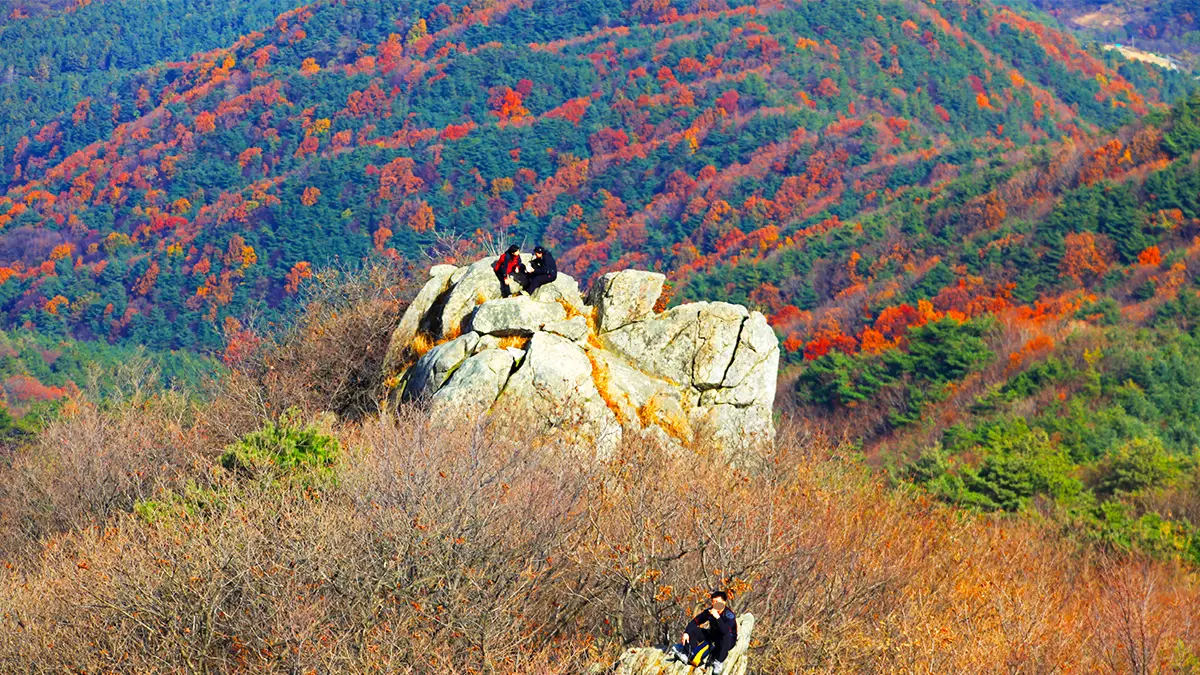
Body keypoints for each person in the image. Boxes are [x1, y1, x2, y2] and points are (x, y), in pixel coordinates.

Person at [668, 591, 737, 674]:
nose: (714, 604)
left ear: (724, 602)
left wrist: (718, 617)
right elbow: (695, 621)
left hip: (727, 640)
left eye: (717, 602)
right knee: (693, 630)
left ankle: (719, 661)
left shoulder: (729, 615)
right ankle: (687, 653)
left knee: (725, 636)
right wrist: (686, 633)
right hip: (713, 635)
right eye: (713, 602)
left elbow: (725, 630)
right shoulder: (710, 611)